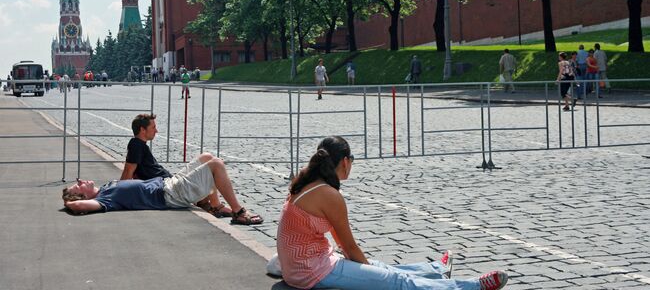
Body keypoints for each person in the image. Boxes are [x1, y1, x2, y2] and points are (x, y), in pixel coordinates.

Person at [276, 136, 508, 290]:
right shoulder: (328, 194)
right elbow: (349, 247)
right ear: (345, 161)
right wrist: (370, 272)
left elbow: (343, 245)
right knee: (394, 281)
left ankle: (436, 270)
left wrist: (370, 268)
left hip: (303, 265)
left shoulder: (307, 181)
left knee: (380, 267)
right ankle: (472, 286)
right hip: (310, 271)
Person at [62, 155, 263, 225]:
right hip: (171, 194)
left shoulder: (105, 188)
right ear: (83, 195)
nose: (80, 180)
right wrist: (68, 202)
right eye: (77, 185)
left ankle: (215, 206)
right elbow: (78, 205)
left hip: (169, 184)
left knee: (206, 156)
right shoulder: (105, 200)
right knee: (216, 164)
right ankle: (238, 212)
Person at [120, 114, 232, 218]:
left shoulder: (140, 145)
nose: (156, 131)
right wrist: (118, 193)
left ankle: (211, 204)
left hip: (172, 181)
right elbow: (128, 171)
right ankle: (216, 207)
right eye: (153, 127)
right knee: (214, 165)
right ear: (142, 130)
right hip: (170, 189)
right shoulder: (136, 145)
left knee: (206, 157)